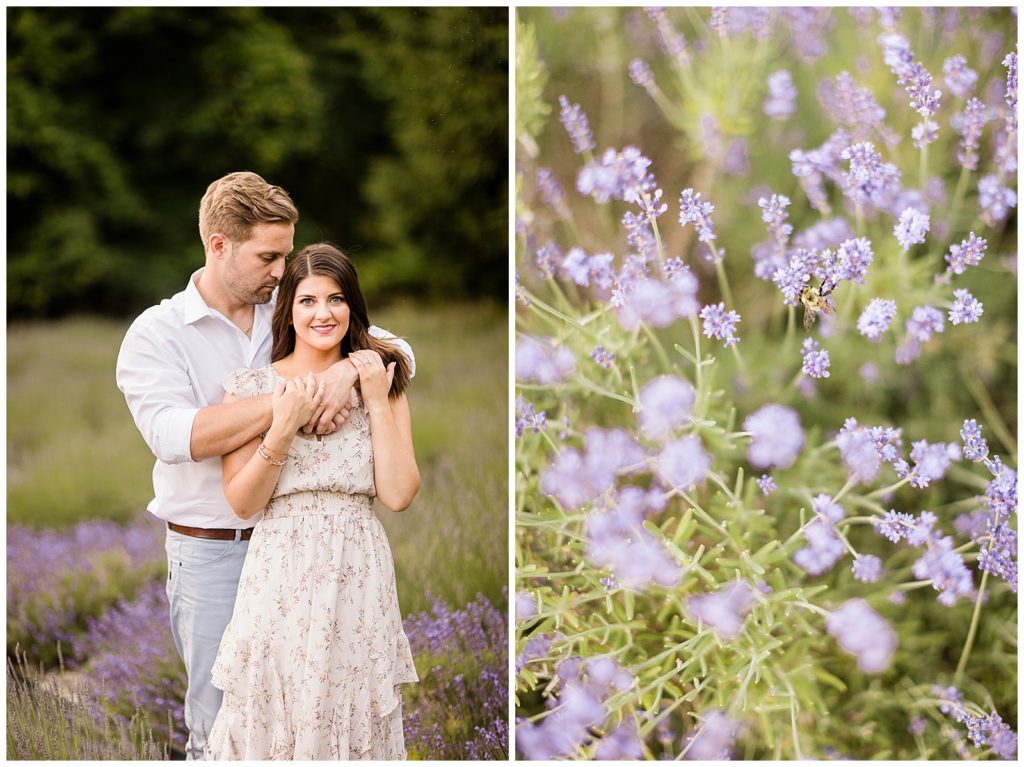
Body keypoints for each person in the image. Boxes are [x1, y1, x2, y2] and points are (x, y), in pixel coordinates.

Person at [115, 172, 414, 760]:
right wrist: (287, 403)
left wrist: (345, 372)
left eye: (286, 254)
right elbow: (177, 435)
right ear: (220, 245)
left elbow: (397, 350)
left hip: (329, 558)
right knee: (228, 723)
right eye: (270, 256)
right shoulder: (157, 334)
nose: (282, 269)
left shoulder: (293, 303)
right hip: (215, 550)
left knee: (329, 717)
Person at [204, 242, 419, 759]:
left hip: (357, 564)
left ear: (353, 306)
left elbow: (398, 493)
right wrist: (280, 428)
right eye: (308, 300)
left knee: (352, 705)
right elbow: (242, 502)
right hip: (281, 565)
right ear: (288, 308)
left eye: (337, 299)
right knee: (276, 707)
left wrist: (369, 393)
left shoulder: (381, 380)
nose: (324, 313)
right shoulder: (252, 386)